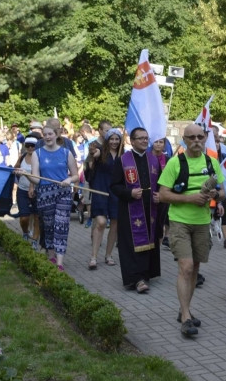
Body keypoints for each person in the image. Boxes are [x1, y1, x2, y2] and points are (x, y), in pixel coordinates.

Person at [158, 124, 226, 338]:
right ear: (185, 140)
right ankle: (186, 318)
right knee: (185, 267)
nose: (197, 140)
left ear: (205, 138)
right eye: (192, 137)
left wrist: (216, 195)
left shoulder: (212, 162)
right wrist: (190, 198)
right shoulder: (175, 163)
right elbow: (163, 194)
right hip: (179, 221)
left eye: (200, 137)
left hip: (203, 222)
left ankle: (184, 309)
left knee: (195, 268)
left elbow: (223, 191)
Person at [109, 127, 161, 293]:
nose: (145, 141)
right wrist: (129, 193)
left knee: (149, 241)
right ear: (132, 141)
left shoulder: (153, 160)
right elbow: (114, 186)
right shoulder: (123, 160)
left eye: (146, 138)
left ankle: (146, 274)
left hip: (150, 207)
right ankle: (136, 279)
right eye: (141, 138)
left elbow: (160, 183)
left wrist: (160, 194)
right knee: (132, 244)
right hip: (130, 209)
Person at [24, 119, 78, 271]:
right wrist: (26, 175)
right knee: (48, 226)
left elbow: (75, 175)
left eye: (50, 134)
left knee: (61, 225)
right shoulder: (37, 153)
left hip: (63, 193)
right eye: (45, 135)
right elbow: (36, 178)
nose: (48, 137)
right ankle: (51, 254)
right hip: (45, 194)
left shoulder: (66, 153)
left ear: (56, 135)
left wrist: (69, 180)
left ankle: (60, 262)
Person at [86, 128, 122, 270]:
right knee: (100, 222)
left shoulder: (123, 154)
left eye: (117, 139)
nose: (114, 142)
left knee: (115, 224)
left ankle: (108, 255)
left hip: (116, 192)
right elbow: (94, 155)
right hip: (101, 190)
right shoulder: (101, 152)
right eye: (111, 139)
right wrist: (93, 153)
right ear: (107, 140)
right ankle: (93, 257)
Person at [14, 137, 40, 249]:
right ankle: (25, 232)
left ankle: (35, 240)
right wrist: (16, 171)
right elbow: (15, 168)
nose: (30, 148)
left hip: (37, 191)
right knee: (24, 217)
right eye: (28, 145)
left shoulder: (39, 158)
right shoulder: (22, 157)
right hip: (22, 190)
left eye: (32, 146)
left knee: (37, 217)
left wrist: (32, 186)